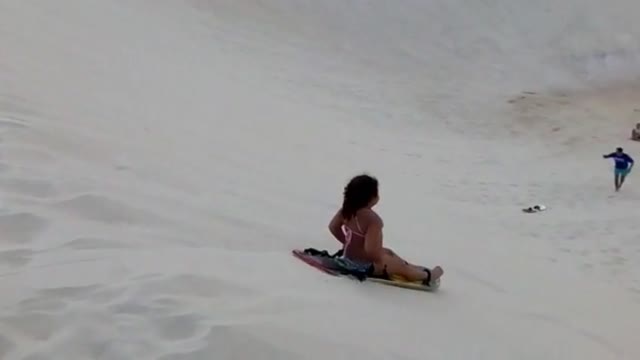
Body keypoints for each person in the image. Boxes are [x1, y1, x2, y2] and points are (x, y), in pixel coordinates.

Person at [327, 173, 444, 286]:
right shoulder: (373, 220)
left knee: (388, 252)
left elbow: (333, 227)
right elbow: (371, 251)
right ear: (370, 197)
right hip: (364, 266)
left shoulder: (347, 210)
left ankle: (410, 266)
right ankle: (426, 275)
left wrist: (347, 242)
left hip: (347, 258)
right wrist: (384, 260)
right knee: (395, 264)